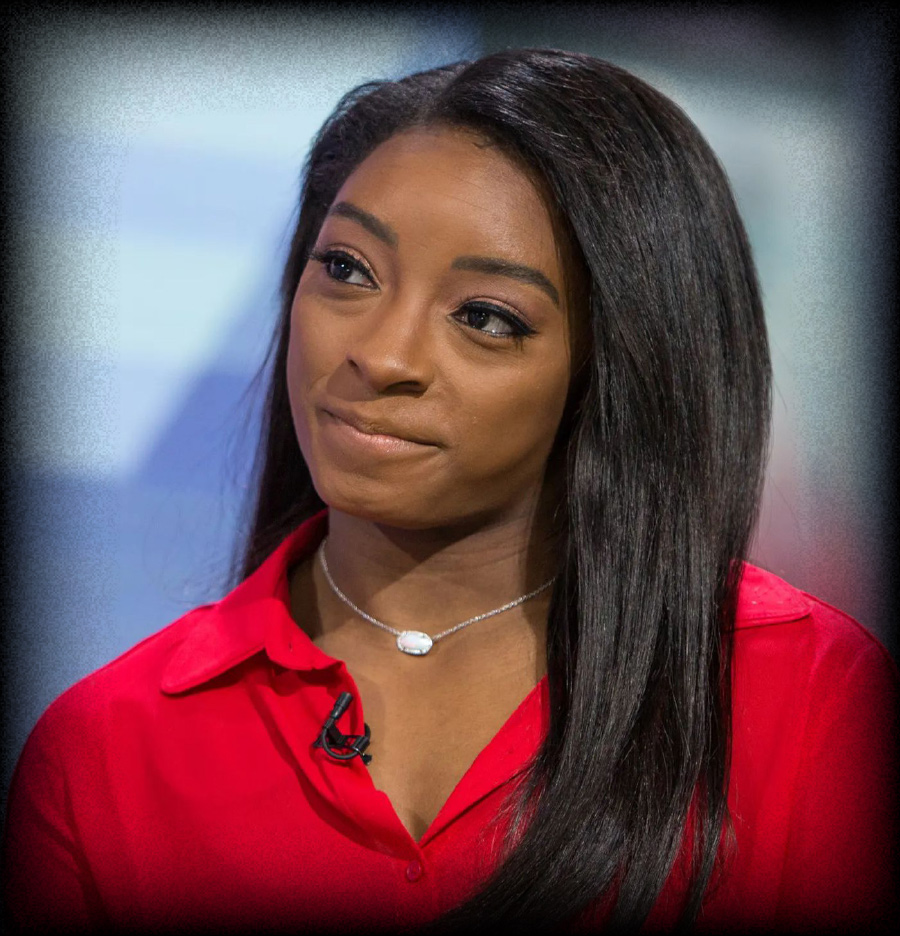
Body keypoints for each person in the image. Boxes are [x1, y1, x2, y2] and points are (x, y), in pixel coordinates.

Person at [2, 48, 898, 935]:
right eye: (348, 269)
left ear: (617, 371)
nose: (380, 355)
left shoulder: (814, 703)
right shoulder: (106, 752)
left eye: (485, 318)